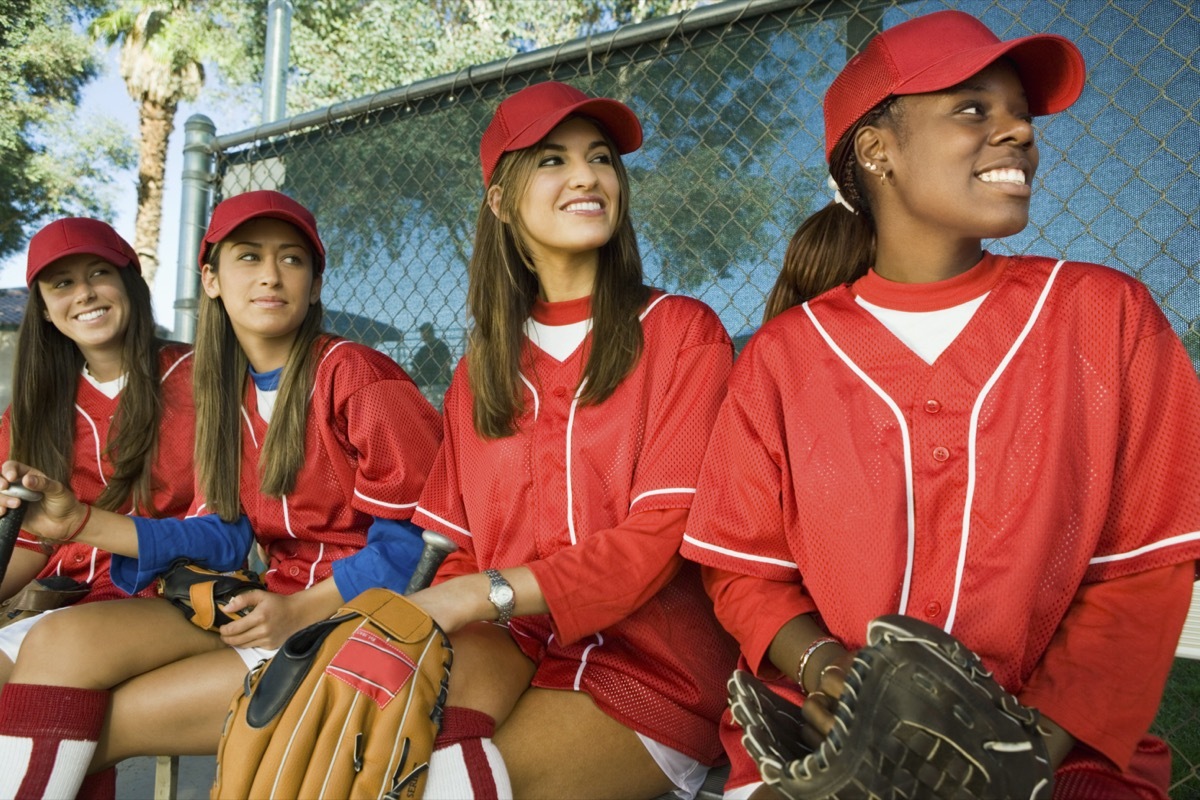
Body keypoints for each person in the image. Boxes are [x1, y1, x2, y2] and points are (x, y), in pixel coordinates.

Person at [680, 10, 1200, 800]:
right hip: (828, 738)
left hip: (1060, 750)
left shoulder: (1105, 315)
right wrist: (834, 680)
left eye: (1021, 114)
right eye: (973, 108)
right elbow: (744, 572)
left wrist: (1012, 756)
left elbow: (1143, 572)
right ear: (877, 149)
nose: (1018, 132)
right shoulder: (784, 356)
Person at [0, 190, 442, 800]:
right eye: (247, 257)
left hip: (359, 622)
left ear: (315, 284)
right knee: (56, 713)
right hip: (273, 610)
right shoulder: (228, 387)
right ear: (209, 278)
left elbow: (424, 544)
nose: (269, 275)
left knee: (67, 709)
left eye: (291, 259)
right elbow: (239, 530)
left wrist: (300, 608)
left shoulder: (353, 373)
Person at [405, 80, 740, 800]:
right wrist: (438, 616)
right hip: (514, 643)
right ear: (500, 199)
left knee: (447, 790)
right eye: (553, 159)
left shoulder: (683, 332)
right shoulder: (480, 367)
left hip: (653, 667)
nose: (587, 175)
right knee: (371, 756)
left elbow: (661, 536)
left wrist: (478, 596)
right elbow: (464, 547)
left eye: (601, 159)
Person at [0, 218, 195, 685]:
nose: (84, 293)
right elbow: (29, 540)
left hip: (175, 591)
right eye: (62, 283)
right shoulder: (31, 411)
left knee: (56, 656)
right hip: (68, 594)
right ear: (45, 309)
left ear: (130, 282)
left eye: (98, 273)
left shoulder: (201, 375)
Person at [410, 321, 453, 389]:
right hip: (424, 384)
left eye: (424, 331)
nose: (422, 334)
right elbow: (414, 368)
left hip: (439, 383)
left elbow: (448, 361)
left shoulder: (440, 345)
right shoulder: (423, 350)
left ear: (431, 332)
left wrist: (443, 374)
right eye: (421, 332)